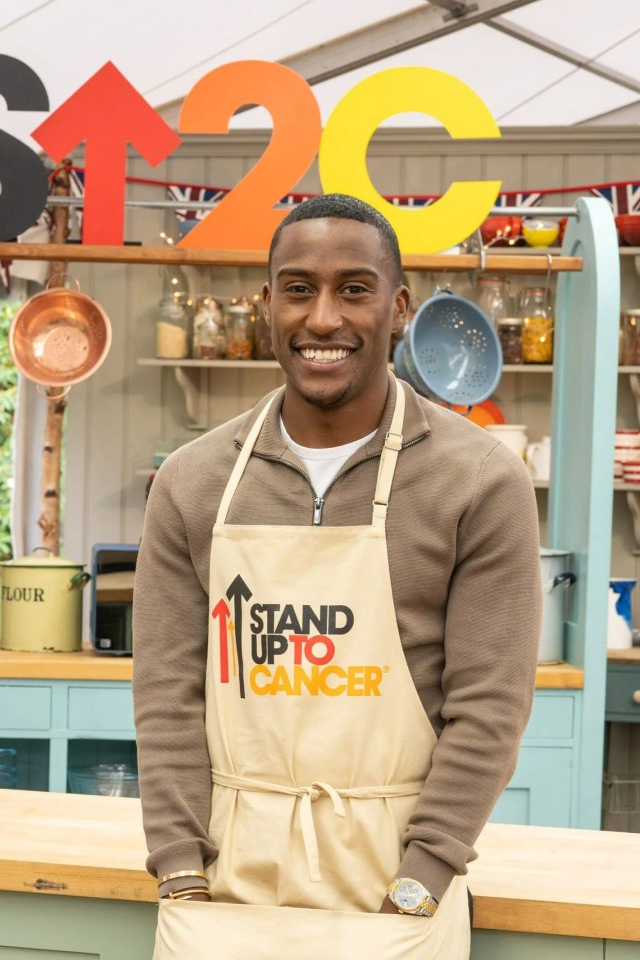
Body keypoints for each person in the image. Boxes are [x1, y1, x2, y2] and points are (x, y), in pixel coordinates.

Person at [133, 194, 541, 958]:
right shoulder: (191, 482)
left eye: (354, 289)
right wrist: (180, 869)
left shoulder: (479, 480)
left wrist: (421, 876)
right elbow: (166, 696)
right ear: (267, 305)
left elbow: (489, 705)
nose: (323, 319)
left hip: (395, 878)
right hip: (225, 877)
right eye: (298, 289)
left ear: (398, 309)